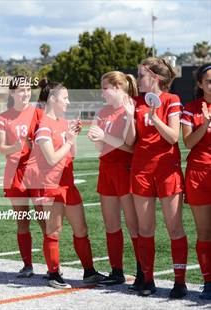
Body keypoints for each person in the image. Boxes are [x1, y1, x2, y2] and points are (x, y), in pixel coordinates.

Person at [35, 80, 106, 289]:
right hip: (51, 185)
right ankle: (53, 274)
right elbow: (50, 158)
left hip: (68, 184)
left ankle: (89, 271)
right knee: (53, 230)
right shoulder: (44, 126)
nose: (68, 101)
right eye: (65, 97)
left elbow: (71, 155)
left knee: (81, 228)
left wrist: (72, 136)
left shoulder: (63, 121)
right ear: (53, 99)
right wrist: (67, 140)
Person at [126, 57, 187, 298]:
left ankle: (179, 282)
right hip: (141, 170)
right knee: (145, 228)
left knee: (174, 227)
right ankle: (148, 280)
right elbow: (131, 141)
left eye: (141, 75)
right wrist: (129, 116)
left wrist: (155, 117)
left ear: (156, 78)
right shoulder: (135, 103)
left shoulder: (172, 100)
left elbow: (173, 137)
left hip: (167, 170)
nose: (138, 79)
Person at [87, 71, 140, 286]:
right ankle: (116, 271)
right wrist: (97, 139)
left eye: (105, 88)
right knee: (111, 225)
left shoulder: (131, 107)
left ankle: (142, 271)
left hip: (126, 170)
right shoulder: (103, 111)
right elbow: (101, 147)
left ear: (118, 87)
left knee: (134, 225)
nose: (102, 93)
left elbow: (131, 147)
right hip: (106, 170)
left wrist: (104, 137)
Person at [0, 76, 46, 278]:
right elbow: (1, 148)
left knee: (43, 219)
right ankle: (27, 265)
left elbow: (48, 140)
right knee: (22, 220)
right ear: (12, 93)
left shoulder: (38, 113)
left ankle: (53, 266)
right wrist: (17, 146)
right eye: (20, 90)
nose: (25, 93)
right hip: (15, 172)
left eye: (27, 89)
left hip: (36, 172)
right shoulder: (4, 117)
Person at [180, 63, 211, 300]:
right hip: (199, 173)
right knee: (204, 231)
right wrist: (206, 123)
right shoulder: (191, 109)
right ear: (200, 84)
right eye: (208, 80)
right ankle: (208, 281)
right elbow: (188, 143)